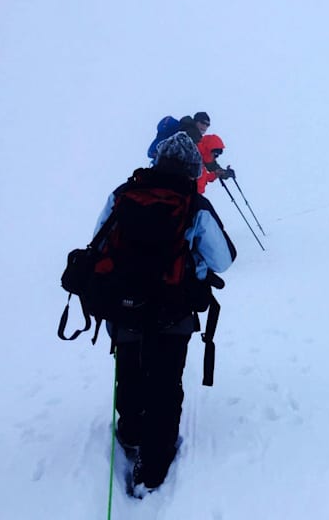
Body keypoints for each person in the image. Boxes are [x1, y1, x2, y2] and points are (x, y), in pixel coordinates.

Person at [94, 132, 236, 495]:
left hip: (124, 307)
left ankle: (130, 434)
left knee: (129, 370)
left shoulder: (123, 195)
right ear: (191, 169)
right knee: (164, 385)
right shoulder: (194, 204)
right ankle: (152, 469)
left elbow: (99, 240)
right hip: (173, 311)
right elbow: (222, 259)